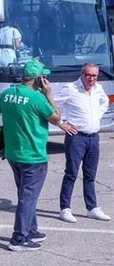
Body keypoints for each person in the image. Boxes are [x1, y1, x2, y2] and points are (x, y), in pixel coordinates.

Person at [0, 59, 62, 251]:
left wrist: (0, 137)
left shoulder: (8, 94)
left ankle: (31, 229)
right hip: (33, 156)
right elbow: (57, 117)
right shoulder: (38, 98)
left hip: (13, 153)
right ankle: (19, 238)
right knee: (28, 197)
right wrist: (50, 94)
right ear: (37, 79)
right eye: (43, 77)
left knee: (27, 194)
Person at [54, 63, 111, 223]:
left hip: (94, 137)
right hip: (76, 137)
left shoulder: (98, 88)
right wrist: (61, 123)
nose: (91, 78)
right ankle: (65, 209)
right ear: (82, 74)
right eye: (88, 75)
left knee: (90, 175)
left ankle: (91, 208)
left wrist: (98, 116)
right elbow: (51, 103)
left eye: (94, 75)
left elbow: (105, 102)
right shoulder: (70, 88)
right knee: (71, 173)